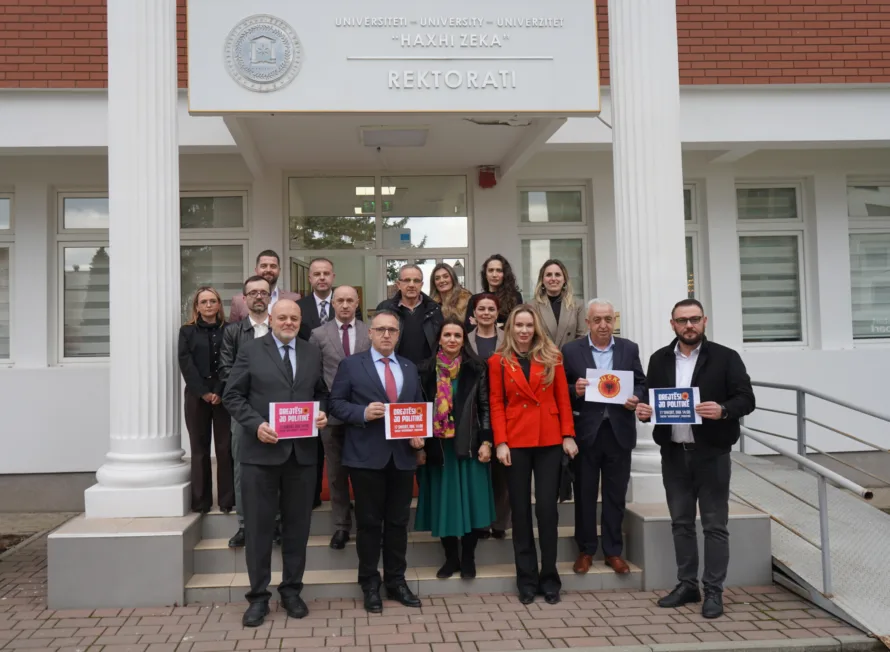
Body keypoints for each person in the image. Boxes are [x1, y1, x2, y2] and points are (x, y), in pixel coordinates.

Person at [635, 298, 755, 620]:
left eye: (694, 319)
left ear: (704, 321)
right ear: (672, 324)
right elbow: (651, 401)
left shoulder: (726, 357)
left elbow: (747, 399)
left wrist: (723, 410)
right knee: (681, 523)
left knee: (715, 525)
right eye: (682, 320)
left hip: (712, 454)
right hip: (674, 454)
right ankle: (687, 585)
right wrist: (645, 411)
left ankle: (713, 590)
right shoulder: (659, 359)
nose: (689, 325)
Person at [222, 300, 329, 627]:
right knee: (258, 529)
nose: (288, 322)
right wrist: (256, 425)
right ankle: (258, 597)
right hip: (260, 455)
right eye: (282, 317)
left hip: (301, 455)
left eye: (294, 318)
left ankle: (292, 591)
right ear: (271, 319)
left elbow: (321, 393)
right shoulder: (250, 351)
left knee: (298, 528)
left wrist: (322, 412)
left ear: (300, 320)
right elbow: (232, 396)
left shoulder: (311, 352)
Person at [328, 310, 425, 614]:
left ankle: (396, 581)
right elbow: (335, 404)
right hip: (365, 457)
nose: (386, 335)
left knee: (398, 523)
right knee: (369, 524)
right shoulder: (351, 365)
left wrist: (418, 434)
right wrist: (361, 413)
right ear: (369, 333)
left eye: (392, 330)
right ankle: (370, 583)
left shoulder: (409, 367)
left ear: (398, 335)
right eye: (380, 329)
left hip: (402, 457)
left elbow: (416, 406)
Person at [488, 305, 577, 605]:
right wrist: (500, 441)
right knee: (521, 511)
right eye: (519, 325)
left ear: (536, 328)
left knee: (547, 511)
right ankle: (526, 579)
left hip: (549, 439)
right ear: (510, 329)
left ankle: (549, 578)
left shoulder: (553, 357)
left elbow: (563, 398)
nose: (524, 330)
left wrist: (568, 434)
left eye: (529, 325)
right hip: (515, 440)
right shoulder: (498, 361)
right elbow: (496, 403)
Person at [562, 299, 645, 576]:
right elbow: (560, 388)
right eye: (597, 320)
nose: (603, 325)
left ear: (614, 321)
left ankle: (612, 551)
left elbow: (641, 382)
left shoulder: (629, 348)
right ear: (587, 322)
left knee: (615, 494)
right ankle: (586, 550)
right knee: (585, 494)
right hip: (586, 434)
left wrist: (637, 398)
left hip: (618, 432)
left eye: (608, 319)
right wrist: (575, 390)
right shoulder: (571, 351)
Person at [415, 318, 495, 580]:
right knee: (445, 504)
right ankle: (451, 558)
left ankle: (468, 557)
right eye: (447, 335)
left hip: (469, 447)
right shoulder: (425, 370)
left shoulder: (476, 368)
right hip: (439, 450)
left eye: (457, 336)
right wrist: (419, 447)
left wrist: (486, 441)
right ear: (439, 339)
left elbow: (485, 407)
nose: (452, 339)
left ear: (464, 340)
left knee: (471, 503)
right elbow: (419, 410)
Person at [308, 285, 371, 550]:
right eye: (340, 300)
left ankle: (367, 524)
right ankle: (341, 526)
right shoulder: (318, 334)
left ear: (357, 303)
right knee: (335, 473)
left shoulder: (371, 332)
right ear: (332, 304)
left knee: (365, 473)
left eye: (350, 301)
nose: (345, 305)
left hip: (365, 415)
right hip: (333, 415)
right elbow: (314, 375)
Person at [219, 276, 273, 549]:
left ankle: (276, 523)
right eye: (253, 293)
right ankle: (244, 524)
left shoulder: (281, 326)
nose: (258, 296)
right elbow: (227, 371)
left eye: (263, 292)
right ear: (244, 299)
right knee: (243, 468)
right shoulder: (233, 332)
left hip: (277, 410)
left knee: (278, 467)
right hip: (243, 411)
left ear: (270, 297)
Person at [178, 286, 233, 514]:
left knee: (225, 448)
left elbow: (230, 361)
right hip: (196, 395)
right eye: (204, 302)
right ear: (197, 307)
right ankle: (201, 502)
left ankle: (227, 500)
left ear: (219, 305)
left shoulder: (229, 330)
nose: (209, 305)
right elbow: (186, 363)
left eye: (213, 301)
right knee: (199, 448)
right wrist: (203, 392)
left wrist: (219, 390)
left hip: (224, 395)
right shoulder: (187, 331)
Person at [466, 294, 510, 540]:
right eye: (481, 309)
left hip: (505, 406)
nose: (486, 313)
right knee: (479, 468)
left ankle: (500, 522)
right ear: (474, 313)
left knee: (502, 469)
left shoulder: (508, 338)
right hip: (476, 409)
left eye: (491, 309)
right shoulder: (465, 339)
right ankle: (481, 522)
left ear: (497, 312)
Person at [375, 264, 443, 365]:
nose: (411, 285)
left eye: (416, 281)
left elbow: (439, 343)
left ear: (421, 284)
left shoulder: (434, 309)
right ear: (398, 284)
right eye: (407, 280)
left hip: (428, 371)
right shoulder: (385, 308)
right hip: (394, 368)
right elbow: (376, 341)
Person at [229, 250, 300, 322]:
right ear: (256, 270)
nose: (268, 270)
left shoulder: (294, 299)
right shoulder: (238, 301)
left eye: (273, 266)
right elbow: (233, 328)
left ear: (279, 270)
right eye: (263, 266)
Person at [532, 259, 587, 348]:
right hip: (542, 354)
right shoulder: (532, 306)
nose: (553, 279)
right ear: (542, 280)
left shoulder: (578, 305)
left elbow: (582, 337)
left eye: (557, 274)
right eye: (549, 275)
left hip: (570, 355)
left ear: (564, 279)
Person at [465, 254, 523, 330]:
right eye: (490, 270)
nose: (494, 275)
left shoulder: (515, 297)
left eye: (499, 270)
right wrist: (499, 325)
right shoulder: (475, 299)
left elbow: (515, 325)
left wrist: (480, 323)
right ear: (485, 274)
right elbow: (468, 328)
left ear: (505, 274)